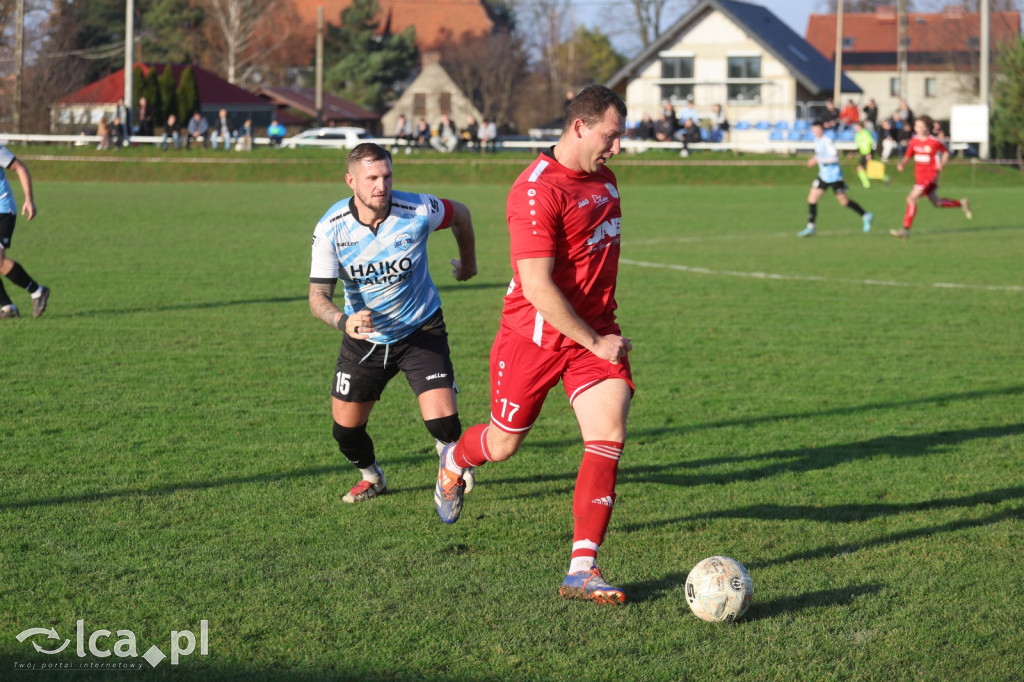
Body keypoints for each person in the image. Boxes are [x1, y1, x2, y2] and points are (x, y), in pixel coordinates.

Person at [432, 85, 634, 605]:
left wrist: (598, 337)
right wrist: (596, 339)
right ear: (580, 127)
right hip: (535, 337)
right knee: (502, 445)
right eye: (610, 137)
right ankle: (456, 460)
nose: (616, 149)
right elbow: (540, 288)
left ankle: (582, 568)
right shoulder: (535, 191)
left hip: (592, 334)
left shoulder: (605, 181)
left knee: (608, 431)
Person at [308, 142, 477, 504]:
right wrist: (344, 321)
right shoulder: (331, 230)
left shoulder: (416, 208)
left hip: (421, 329)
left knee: (444, 425)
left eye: (386, 176)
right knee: (346, 432)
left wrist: (469, 264)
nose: (381, 186)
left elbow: (460, 213)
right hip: (365, 339)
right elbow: (317, 297)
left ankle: (451, 459)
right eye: (371, 178)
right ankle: (372, 477)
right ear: (351, 181)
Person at [889, 115, 971, 241]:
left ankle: (905, 230)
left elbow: (946, 152)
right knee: (937, 203)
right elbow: (908, 155)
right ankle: (961, 203)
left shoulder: (934, 142)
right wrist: (902, 164)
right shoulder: (914, 141)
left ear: (927, 128)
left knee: (911, 198)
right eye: (917, 126)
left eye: (921, 126)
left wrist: (943, 163)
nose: (918, 128)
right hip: (919, 178)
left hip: (930, 177)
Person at [798, 120, 873, 237]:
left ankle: (865, 215)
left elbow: (834, 158)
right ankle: (811, 227)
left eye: (818, 130)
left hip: (834, 177)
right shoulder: (816, 141)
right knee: (812, 199)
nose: (816, 132)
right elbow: (821, 155)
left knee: (844, 202)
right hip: (823, 176)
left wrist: (818, 160)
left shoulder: (828, 141)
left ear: (822, 130)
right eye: (814, 131)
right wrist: (814, 159)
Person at [0, 146, 49, 320]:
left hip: (4, 210)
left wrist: (29, 200)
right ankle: (8, 307)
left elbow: (20, 167)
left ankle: (37, 291)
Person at [853, 120, 878, 188]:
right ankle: (867, 184)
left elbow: (870, 142)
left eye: (857, 127)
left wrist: (869, 154)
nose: (856, 128)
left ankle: (866, 184)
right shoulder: (857, 135)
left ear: (861, 127)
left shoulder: (865, 133)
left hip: (867, 153)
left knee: (863, 168)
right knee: (865, 169)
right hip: (863, 153)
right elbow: (859, 145)